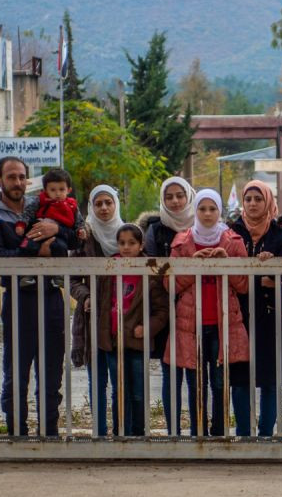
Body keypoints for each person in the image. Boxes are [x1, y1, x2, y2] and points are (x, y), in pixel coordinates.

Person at [0, 156, 67, 437]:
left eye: (21, 177)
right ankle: (17, 433)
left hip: (51, 295)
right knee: (17, 371)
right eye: (11, 177)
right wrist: (32, 254)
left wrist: (57, 229)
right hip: (18, 298)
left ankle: (49, 432)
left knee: (51, 370)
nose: (17, 182)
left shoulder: (41, 208)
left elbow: (72, 240)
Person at [168, 190, 251, 436]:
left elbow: (244, 285)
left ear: (219, 211)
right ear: (195, 211)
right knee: (195, 384)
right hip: (190, 325)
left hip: (222, 324)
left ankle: (219, 431)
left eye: (212, 209)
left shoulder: (233, 241)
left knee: (219, 381)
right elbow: (169, 284)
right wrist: (192, 265)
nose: (207, 214)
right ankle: (198, 432)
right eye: (202, 209)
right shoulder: (182, 241)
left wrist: (226, 263)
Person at [228, 179, 282, 436]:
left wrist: (272, 265)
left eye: (258, 199)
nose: (253, 204)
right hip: (238, 312)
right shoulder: (232, 232)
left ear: (268, 201)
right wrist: (261, 274)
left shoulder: (280, 233)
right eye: (248, 199)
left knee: (271, 376)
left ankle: (266, 434)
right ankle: (244, 433)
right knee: (240, 375)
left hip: (270, 313)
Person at [92, 224, 167, 436]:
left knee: (138, 392)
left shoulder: (150, 269)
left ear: (141, 244)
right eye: (122, 243)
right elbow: (102, 303)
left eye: (132, 243)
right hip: (113, 340)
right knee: (119, 391)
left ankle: (139, 434)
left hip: (137, 340)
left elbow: (162, 310)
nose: (126, 247)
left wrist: (148, 328)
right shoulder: (109, 267)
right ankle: (120, 433)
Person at [71, 185, 126, 436]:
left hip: (120, 319)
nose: (104, 208)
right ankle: (99, 433)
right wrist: (86, 296)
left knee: (119, 380)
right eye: (98, 203)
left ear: (116, 204)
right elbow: (71, 279)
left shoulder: (127, 235)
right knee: (97, 381)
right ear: (91, 207)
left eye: (108, 202)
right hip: (93, 319)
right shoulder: (84, 237)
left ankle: (120, 432)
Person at [142, 175, 196, 425]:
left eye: (179, 195)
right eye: (169, 196)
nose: (175, 201)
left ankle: (200, 432)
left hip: (198, 308)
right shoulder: (155, 229)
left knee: (197, 374)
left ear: (189, 196)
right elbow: (152, 269)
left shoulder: (202, 224)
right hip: (166, 309)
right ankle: (173, 430)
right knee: (170, 373)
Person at [18, 167, 85, 257]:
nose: (57, 193)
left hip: (59, 235)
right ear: (45, 190)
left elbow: (79, 221)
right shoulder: (40, 200)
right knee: (26, 247)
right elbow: (28, 212)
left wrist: (80, 230)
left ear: (69, 190)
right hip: (37, 231)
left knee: (60, 248)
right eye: (53, 190)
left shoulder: (72, 205)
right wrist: (21, 224)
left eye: (61, 189)